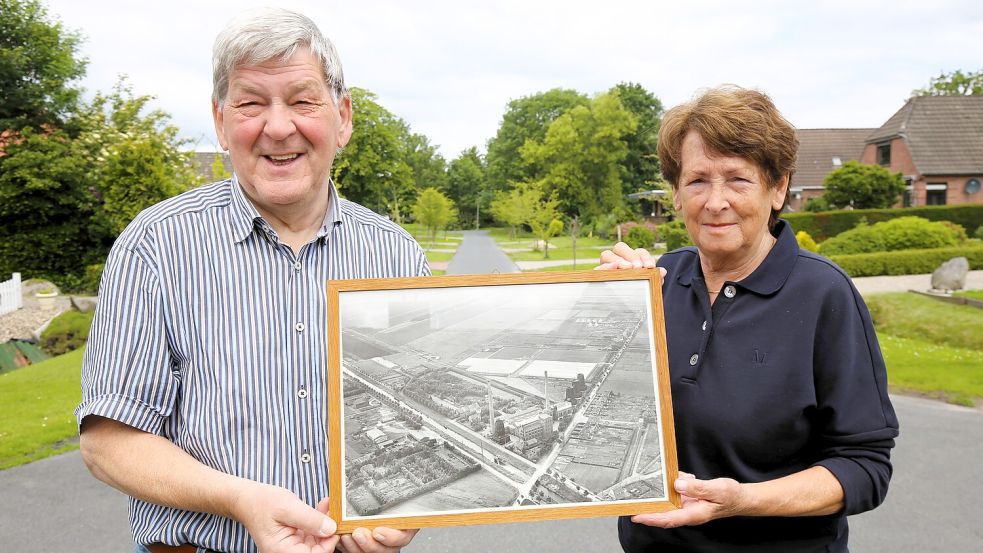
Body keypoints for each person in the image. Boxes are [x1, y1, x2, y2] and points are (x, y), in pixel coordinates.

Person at [76, 8, 423, 553]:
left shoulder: (396, 254)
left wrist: (409, 511)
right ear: (220, 122)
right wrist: (239, 499)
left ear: (343, 117)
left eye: (303, 100)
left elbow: (420, 408)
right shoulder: (156, 246)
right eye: (251, 103)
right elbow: (108, 442)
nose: (279, 126)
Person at [598, 85, 898, 552]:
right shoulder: (655, 283)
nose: (715, 201)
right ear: (676, 193)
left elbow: (865, 467)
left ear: (777, 188)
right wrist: (603, 304)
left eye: (737, 179)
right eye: (697, 180)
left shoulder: (824, 295)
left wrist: (743, 500)